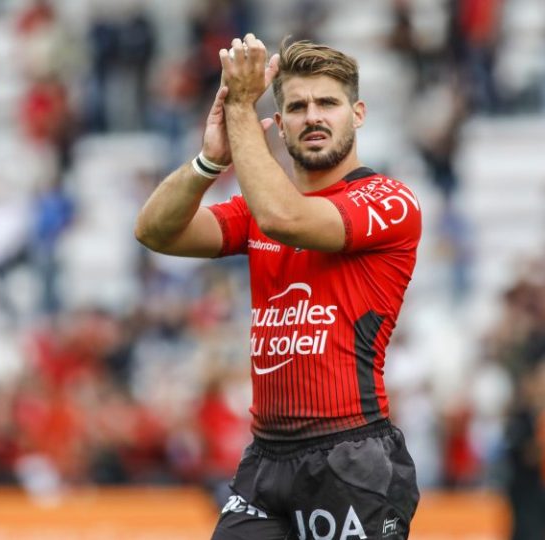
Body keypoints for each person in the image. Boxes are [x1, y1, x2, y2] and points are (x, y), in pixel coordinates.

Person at [136, 34, 421, 539]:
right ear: (282, 122)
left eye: (327, 103)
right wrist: (209, 162)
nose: (313, 116)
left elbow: (285, 217)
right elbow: (155, 231)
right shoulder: (258, 212)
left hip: (351, 455)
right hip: (266, 459)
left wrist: (241, 106)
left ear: (357, 114)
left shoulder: (389, 200)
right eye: (297, 106)